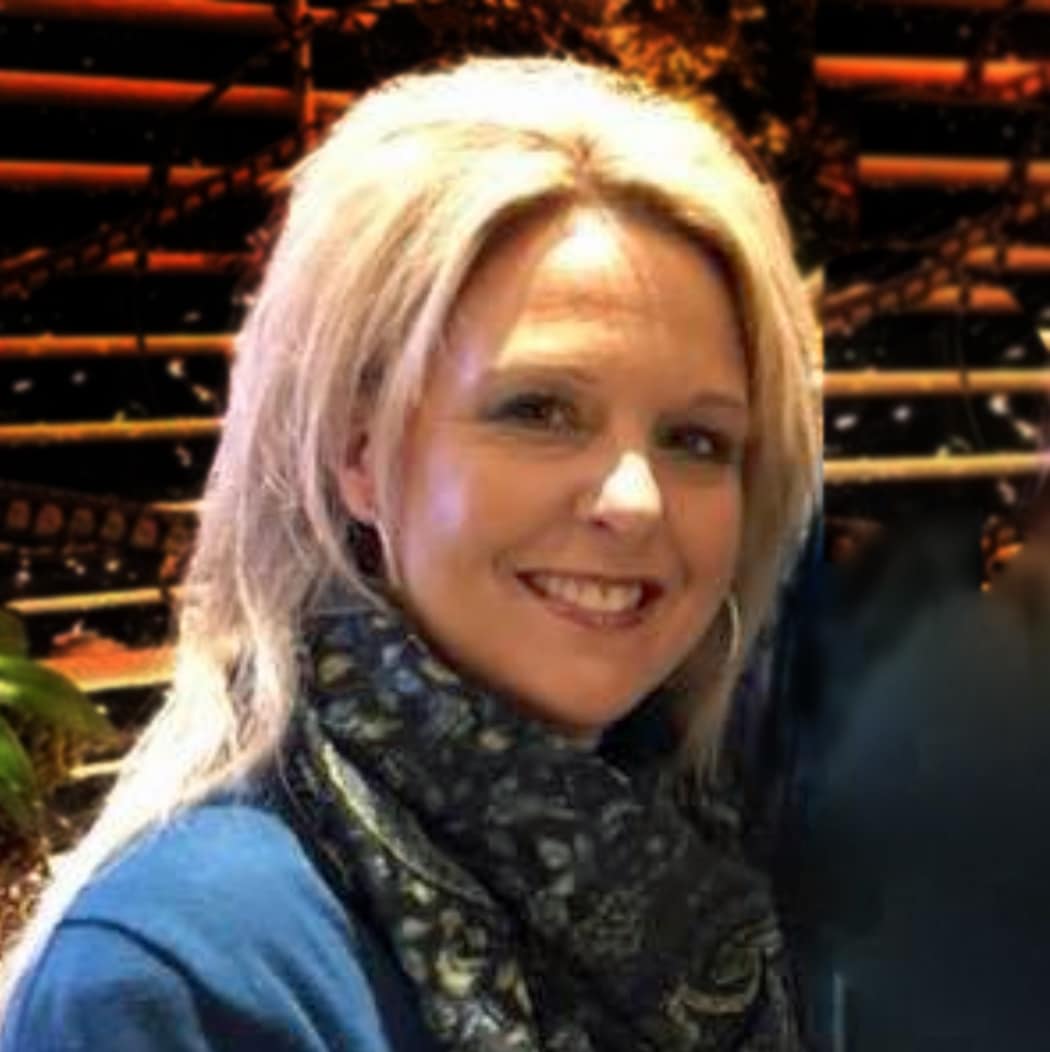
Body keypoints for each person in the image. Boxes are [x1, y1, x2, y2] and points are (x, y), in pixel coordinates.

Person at [0, 56, 819, 1051]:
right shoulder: (180, 972)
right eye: (541, 410)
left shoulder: (712, 856)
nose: (635, 501)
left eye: (696, 438)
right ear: (358, 451)